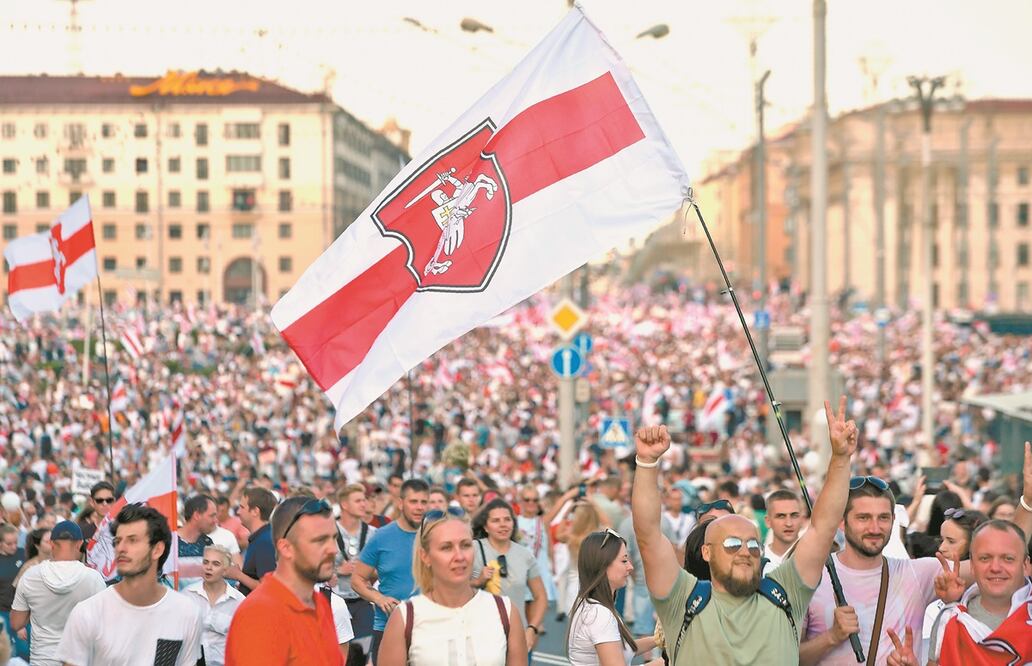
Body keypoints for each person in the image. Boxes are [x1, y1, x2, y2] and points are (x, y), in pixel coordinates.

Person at [633, 398, 857, 664]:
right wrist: (647, 463)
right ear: (706, 552)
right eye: (731, 544)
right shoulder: (683, 600)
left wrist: (841, 459)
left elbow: (823, 528)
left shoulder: (786, 594)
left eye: (753, 545)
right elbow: (648, 536)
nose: (744, 552)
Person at [799, 472, 973, 666]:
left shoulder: (918, 574)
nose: (874, 528)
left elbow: (998, 566)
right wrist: (831, 637)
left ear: (893, 521)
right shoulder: (812, 576)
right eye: (863, 518)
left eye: (883, 518)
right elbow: (786, 657)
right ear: (842, 522)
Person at [56, 504, 204, 665]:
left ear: (157, 549)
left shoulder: (187, 613)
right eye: (118, 541)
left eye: (132, 540)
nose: (121, 548)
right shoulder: (87, 613)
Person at [377, 508, 526, 666]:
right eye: (446, 547)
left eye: (465, 545)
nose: (459, 556)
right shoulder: (405, 618)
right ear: (425, 556)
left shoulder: (505, 611)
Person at [886, 520, 1032, 666]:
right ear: (972, 566)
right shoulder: (950, 619)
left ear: (1026, 565)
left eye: (1008, 559)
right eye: (985, 558)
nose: (995, 567)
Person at [225, 496, 344, 665]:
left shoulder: (319, 603)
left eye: (334, 538)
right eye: (320, 540)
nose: (334, 549)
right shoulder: (261, 614)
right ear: (286, 548)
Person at [353, 478, 429, 664]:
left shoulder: (434, 536)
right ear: (400, 503)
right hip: (388, 628)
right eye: (413, 502)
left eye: (423, 502)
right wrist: (379, 598)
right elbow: (357, 579)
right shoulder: (382, 536)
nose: (419, 507)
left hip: (428, 628)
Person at [9, 521, 105, 666]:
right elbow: (102, 625)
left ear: (52, 544)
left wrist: (37, 607)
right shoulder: (93, 578)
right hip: (79, 659)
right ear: (79, 544)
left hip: (41, 659)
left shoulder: (31, 575)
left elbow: (16, 623)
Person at [567, 529, 659, 666]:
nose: (631, 567)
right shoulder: (600, 615)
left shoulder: (590, 604)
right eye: (624, 561)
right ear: (602, 565)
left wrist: (657, 640)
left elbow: (622, 648)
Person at [471, 499, 546, 655]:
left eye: (507, 519)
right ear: (485, 526)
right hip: (481, 636)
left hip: (518, 637)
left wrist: (532, 629)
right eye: (495, 521)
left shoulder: (525, 555)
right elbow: (454, 590)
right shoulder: (473, 549)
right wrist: (478, 581)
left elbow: (540, 596)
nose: (503, 524)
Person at [334, 483, 377, 662]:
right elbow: (315, 568)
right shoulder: (328, 531)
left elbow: (380, 571)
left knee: (362, 654)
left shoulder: (373, 533)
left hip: (363, 601)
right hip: (335, 601)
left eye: (364, 500)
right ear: (344, 504)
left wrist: (365, 572)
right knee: (336, 656)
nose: (363, 504)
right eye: (358, 500)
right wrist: (339, 570)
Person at [183, 544, 243, 666]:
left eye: (216, 564)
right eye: (206, 562)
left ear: (225, 570)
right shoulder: (187, 595)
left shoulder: (238, 601)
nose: (209, 567)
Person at [237, 486, 277, 594]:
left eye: (242, 507)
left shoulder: (264, 542)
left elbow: (268, 587)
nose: (238, 512)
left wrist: (237, 575)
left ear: (255, 511)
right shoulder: (261, 538)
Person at [177, 494, 216, 590]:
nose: (215, 521)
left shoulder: (207, 543)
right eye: (212, 516)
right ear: (197, 515)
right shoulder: (169, 542)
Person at [0, 524, 25, 660]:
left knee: (25, 651)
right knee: (7, 653)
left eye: (15, 542)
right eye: (9, 544)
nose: (14, 546)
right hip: (3, 613)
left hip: (24, 611)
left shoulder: (23, 553)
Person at [764, 490, 805, 573]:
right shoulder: (758, 559)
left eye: (794, 516)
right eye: (781, 516)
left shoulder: (814, 557)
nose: (789, 523)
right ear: (768, 521)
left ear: (802, 519)